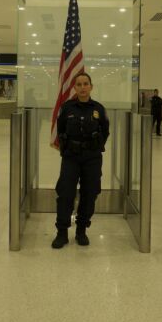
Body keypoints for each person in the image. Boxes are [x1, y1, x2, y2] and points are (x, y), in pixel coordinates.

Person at [52, 72, 109, 249]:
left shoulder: (99, 109)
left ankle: (81, 230)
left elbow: (105, 132)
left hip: (92, 158)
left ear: (91, 86)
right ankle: (62, 232)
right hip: (71, 158)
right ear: (74, 88)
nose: (82, 87)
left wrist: (92, 147)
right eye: (79, 84)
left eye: (85, 84)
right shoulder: (67, 108)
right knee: (65, 194)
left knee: (89, 194)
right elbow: (60, 130)